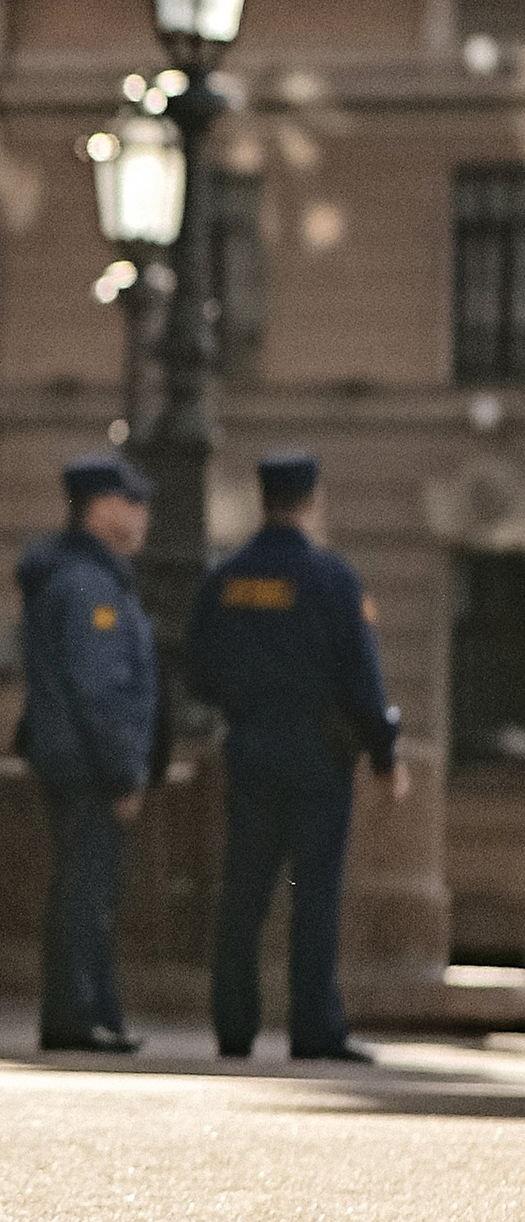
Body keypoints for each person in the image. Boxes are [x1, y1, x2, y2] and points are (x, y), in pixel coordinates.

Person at [185, 451, 406, 1065]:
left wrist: (243, 703)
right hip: (319, 758)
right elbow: (365, 681)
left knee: (243, 890)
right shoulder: (333, 579)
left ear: (263, 500)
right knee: (315, 893)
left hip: (250, 747)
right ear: (313, 500)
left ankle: (234, 1026)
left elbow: (197, 668)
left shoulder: (224, 577)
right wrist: (386, 755)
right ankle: (313, 1028)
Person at [15, 452, 160, 1054]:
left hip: (70, 758)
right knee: (86, 891)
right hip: (87, 765)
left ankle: (91, 1011)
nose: (144, 514)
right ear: (101, 509)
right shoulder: (89, 588)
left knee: (86, 888)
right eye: (133, 501)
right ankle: (78, 1014)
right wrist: (125, 772)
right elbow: (100, 688)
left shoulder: (85, 579)